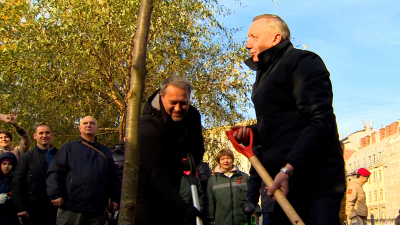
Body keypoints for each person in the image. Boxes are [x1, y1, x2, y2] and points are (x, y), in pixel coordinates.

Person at [230, 14, 345, 225]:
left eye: (254, 37)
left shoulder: (303, 62)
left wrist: (289, 168)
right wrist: (252, 131)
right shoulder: (263, 75)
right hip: (281, 185)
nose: (248, 44)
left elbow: (319, 119)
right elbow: (283, 125)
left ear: (275, 38)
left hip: (315, 185)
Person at [135, 76, 205, 225]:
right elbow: (155, 171)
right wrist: (181, 207)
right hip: (146, 192)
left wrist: (191, 160)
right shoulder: (148, 124)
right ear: (162, 97)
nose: (178, 108)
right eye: (173, 103)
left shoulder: (192, 115)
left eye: (183, 103)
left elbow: (198, 147)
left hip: (175, 184)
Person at [46, 116, 121, 225]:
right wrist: (55, 194)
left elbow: (113, 177)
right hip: (72, 207)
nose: (88, 125)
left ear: (97, 128)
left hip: (97, 209)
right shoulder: (69, 148)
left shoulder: (105, 151)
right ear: (79, 128)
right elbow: (54, 172)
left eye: (92, 123)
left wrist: (115, 198)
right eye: (85, 123)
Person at [12, 124, 58, 225]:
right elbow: (17, 183)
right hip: (33, 209)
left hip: (56, 208)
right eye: (41, 133)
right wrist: (21, 207)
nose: (44, 135)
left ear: (51, 135)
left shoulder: (59, 155)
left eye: (47, 133)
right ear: (35, 136)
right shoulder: (26, 157)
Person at [207, 149, 249, 225]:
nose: (225, 161)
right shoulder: (213, 180)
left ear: (233, 160)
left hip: (242, 221)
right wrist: (210, 220)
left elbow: (251, 196)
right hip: (222, 221)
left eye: (228, 158)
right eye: (222, 159)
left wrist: (256, 213)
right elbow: (210, 203)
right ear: (219, 161)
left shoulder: (244, 177)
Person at [0, 152, 19, 225]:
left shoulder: (17, 180)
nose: (6, 166)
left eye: (9, 164)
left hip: (11, 217)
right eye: (4, 164)